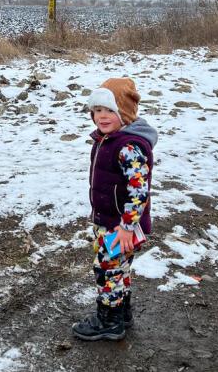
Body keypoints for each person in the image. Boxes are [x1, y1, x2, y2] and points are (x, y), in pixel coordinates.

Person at [72, 77, 158, 341]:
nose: (102, 116)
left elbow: (138, 191)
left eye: (110, 110)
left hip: (120, 226)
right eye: (97, 110)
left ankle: (109, 322)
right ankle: (122, 314)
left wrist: (126, 227)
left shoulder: (128, 146)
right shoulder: (108, 139)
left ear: (125, 113)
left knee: (107, 270)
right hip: (112, 222)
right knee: (118, 269)